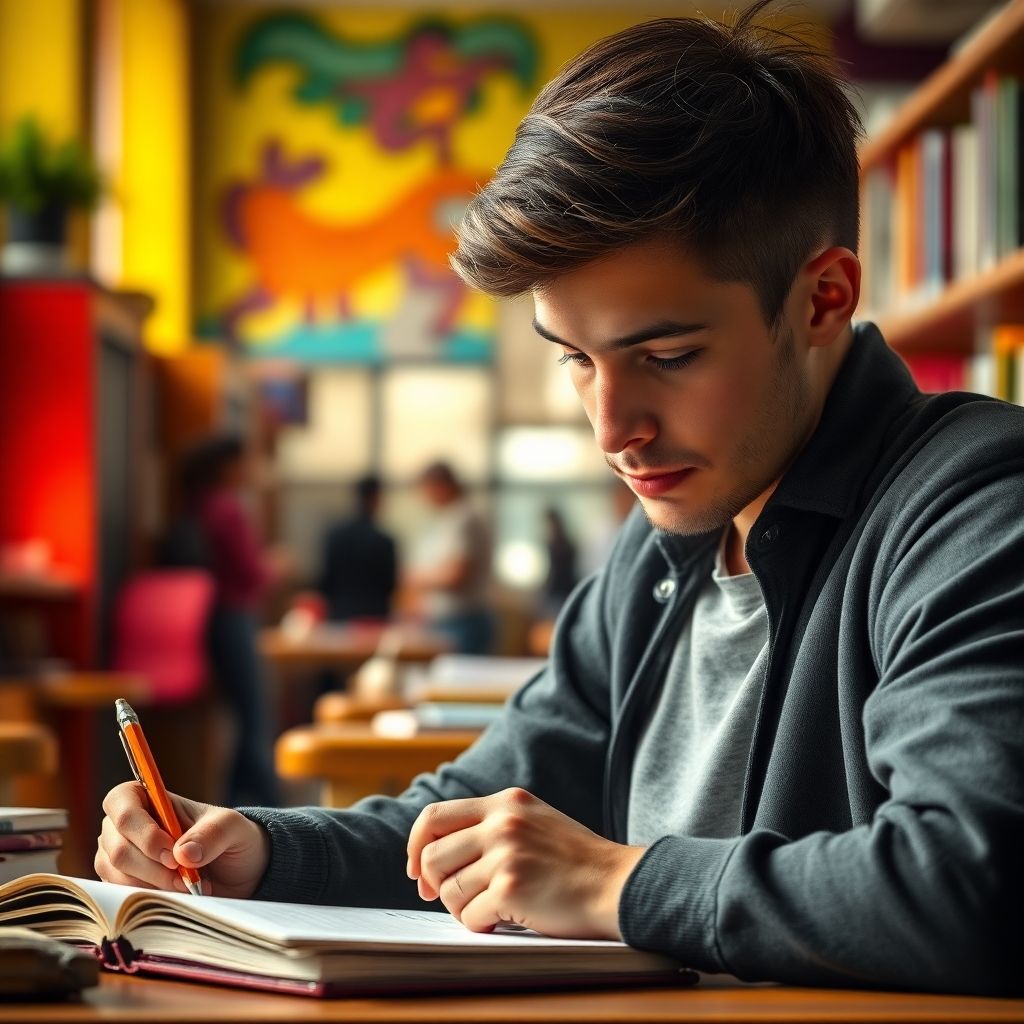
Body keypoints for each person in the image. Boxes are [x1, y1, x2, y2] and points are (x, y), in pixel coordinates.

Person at [96, 3, 1023, 996]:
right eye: (575, 360)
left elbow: (974, 884)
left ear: (821, 299)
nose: (609, 426)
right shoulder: (663, 545)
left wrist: (616, 882)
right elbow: (476, 810)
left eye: (665, 355)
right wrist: (259, 848)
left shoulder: (976, 506)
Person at [168, 433, 283, 807]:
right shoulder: (228, 508)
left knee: (239, 714)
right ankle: (269, 806)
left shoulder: (196, 505)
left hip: (207, 618)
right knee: (253, 715)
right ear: (228, 466)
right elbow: (252, 573)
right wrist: (277, 567)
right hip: (235, 616)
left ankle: (239, 802)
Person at [404, 461, 494, 654]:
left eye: (426, 490)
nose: (424, 498)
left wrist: (416, 577)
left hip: (462, 622)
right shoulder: (450, 518)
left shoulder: (464, 519)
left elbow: (455, 575)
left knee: (460, 681)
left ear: (441, 486)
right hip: (448, 621)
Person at [316, 474, 397, 622]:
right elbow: (390, 585)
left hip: (340, 613)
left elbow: (326, 580)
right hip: (375, 617)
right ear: (376, 499)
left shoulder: (335, 536)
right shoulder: (384, 541)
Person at [539, 505, 579, 616]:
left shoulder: (560, 545)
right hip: (564, 590)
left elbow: (555, 573)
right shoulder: (566, 543)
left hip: (562, 591)